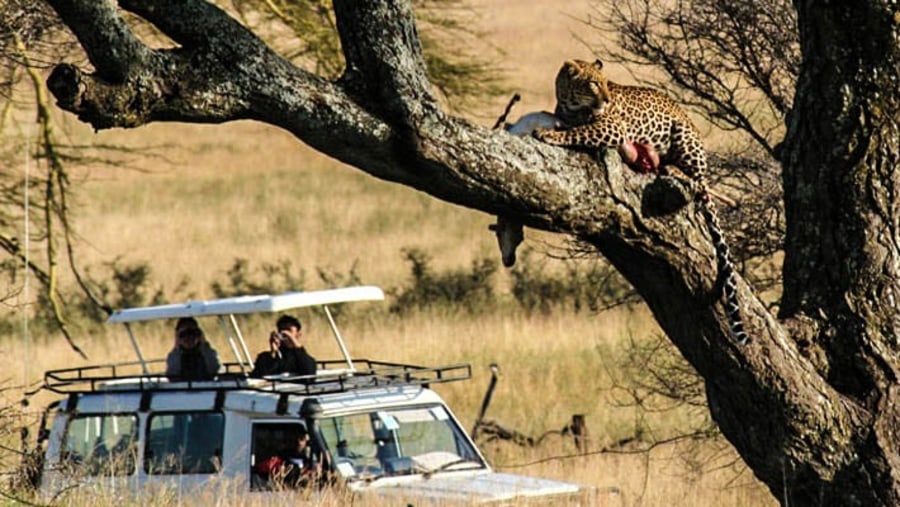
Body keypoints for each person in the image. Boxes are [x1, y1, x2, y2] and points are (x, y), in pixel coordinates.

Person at [250, 315, 317, 378]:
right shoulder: (267, 357)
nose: (284, 335)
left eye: (289, 330)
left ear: (298, 334)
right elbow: (258, 375)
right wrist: (273, 353)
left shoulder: (301, 357)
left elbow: (309, 373)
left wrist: (295, 343)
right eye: (281, 330)